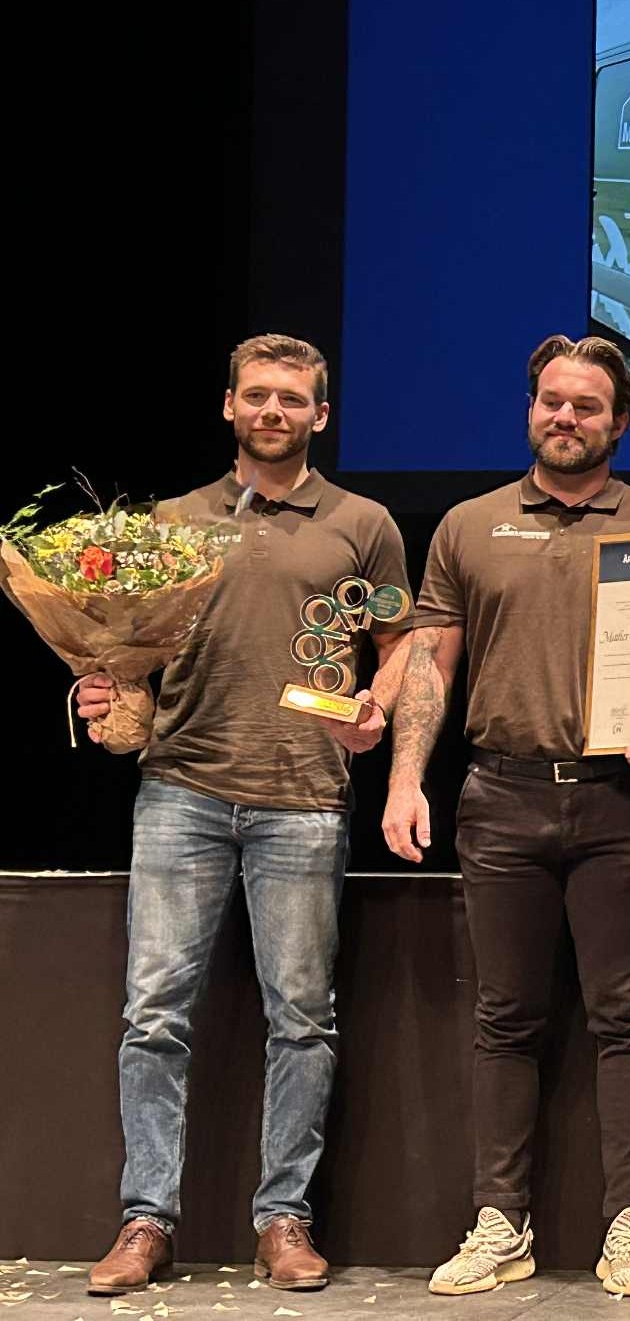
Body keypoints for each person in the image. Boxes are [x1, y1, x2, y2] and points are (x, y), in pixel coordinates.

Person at [80, 335, 410, 1296]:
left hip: (303, 798)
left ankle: (284, 1220)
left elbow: (402, 640)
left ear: (321, 415)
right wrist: (102, 699)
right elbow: (122, 653)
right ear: (229, 407)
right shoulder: (173, 522)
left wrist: (378, 706)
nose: (274, 411)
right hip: (179, 789)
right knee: (152, 1017)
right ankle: (146, 1221)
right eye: (257, 396)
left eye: (292, 399)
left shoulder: (364, 523)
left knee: (303, 1019)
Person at [383, 335, 630, 1299]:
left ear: (620, 422)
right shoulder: (469, 526)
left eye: (587, 406)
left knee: (624, 1019)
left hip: (619, 801)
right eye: (551, 401)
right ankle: (499, 1221)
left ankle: (627, 1228)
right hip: (500, 798)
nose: (566, 418)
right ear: (530, 410)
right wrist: (403, 779)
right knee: (504, 1018)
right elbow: (429, 665)